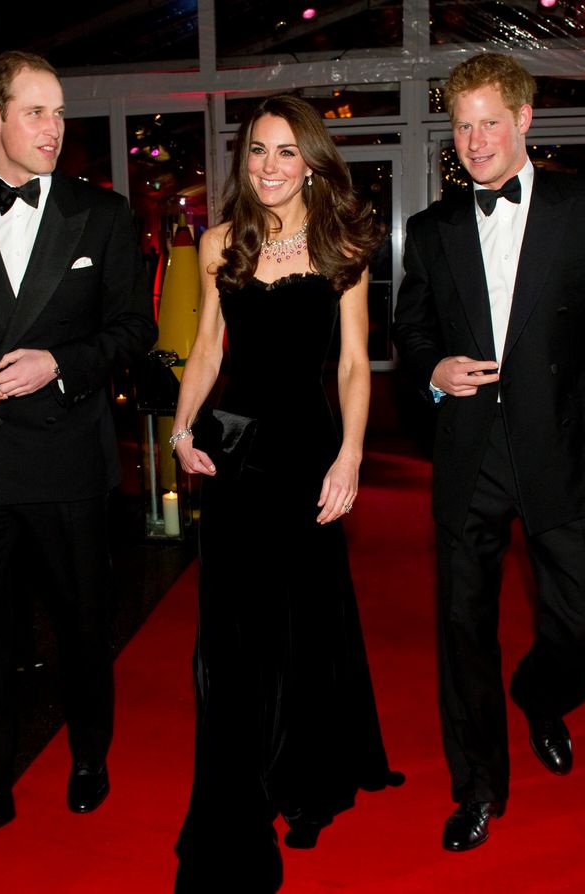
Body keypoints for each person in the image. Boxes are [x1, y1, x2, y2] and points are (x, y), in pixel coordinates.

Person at [393, 53, 585, 853]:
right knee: (462, 627)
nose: (476, 140)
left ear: (523, 120)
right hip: (471, 451)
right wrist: (433, 371)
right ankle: (478, 785)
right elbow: (410, 334)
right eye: (463, 125)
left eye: (490, 122)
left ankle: (540, 693)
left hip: (568, 445)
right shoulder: (433, 228)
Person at [0, 50, 156, 867]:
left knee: (85, 625)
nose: (56, 128)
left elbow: (133, 331)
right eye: (37, 112)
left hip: (65, 458)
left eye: (59, 112)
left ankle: (88, 750)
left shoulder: (103, 214)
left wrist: (60, 363)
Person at [170, 94, 402, 892]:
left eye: (284, 152)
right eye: (257, 152)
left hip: (306, 451)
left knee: (304, 615)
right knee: (235, 629)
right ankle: (240, 783)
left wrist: (350, 457)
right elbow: (206, 348)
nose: (268, 167)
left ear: (311, 161)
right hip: (235, 452)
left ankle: (303, 777)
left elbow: (351, 364)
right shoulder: (216, 243)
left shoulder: (343, 247)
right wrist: (180, 428)